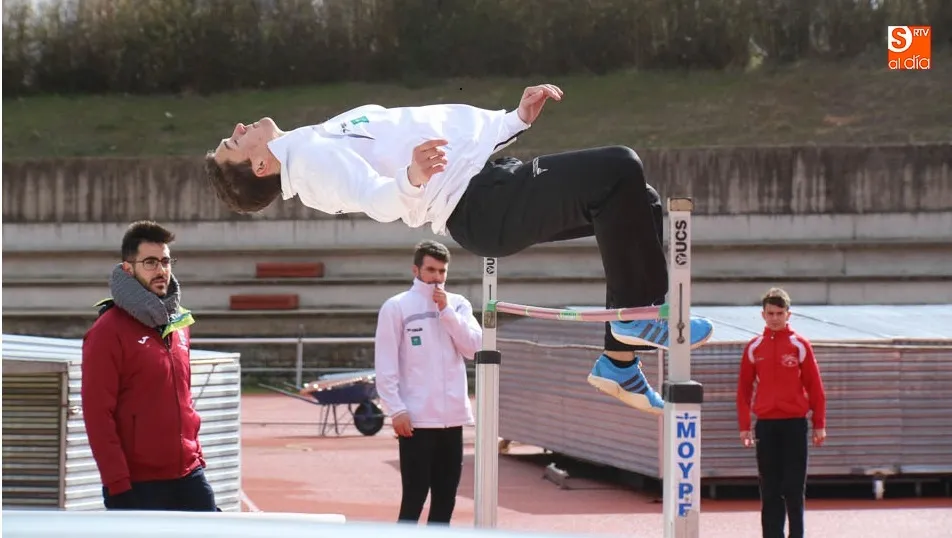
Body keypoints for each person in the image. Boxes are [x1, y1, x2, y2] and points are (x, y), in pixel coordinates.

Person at [203, 83, 715, 414]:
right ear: (260, 167)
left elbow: (431, 127)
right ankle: (637, 319)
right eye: (234, 143)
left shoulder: (306, 142)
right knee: (620, 166)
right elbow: (377, 200)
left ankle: (619, 361)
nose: (239, 129)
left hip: (489, 184)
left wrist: (513, 120)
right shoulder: (308, 163)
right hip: (481, 204)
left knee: (637, 201)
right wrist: (413, 176)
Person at [81, 220, 218, 512]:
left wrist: (196, 453)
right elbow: (97, 414)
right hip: (138, 484)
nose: (161, 270)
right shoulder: (107, 331)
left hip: (189, 474)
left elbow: (184, 399)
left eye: (166, 261)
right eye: (151, 262)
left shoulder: (179, 322)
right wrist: (117, 484)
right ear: (128, 268)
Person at [373, 240, 482, 525]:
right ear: (416, 269)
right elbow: (386, 364)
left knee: (445, 501)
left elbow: (473, 348)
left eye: (442, 271)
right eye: (431, 270)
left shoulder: (459, 304)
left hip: (453, 419)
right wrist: (395, 409)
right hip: (417, 421)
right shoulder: (396, 307)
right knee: (414, 499)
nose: (436, 277)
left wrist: (446, 313)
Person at [736, 287, 827, 538]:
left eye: (779, 313)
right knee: (770, 488)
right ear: (762, 315)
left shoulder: (800, 345)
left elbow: (815, 387)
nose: (775, 318)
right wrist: (745, 426)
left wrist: (819, 424)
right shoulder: (755, 347)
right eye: (770, 313)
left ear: (789, 314)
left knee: (794, 488)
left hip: (794, 424)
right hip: (766, 425)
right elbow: (743, 390)